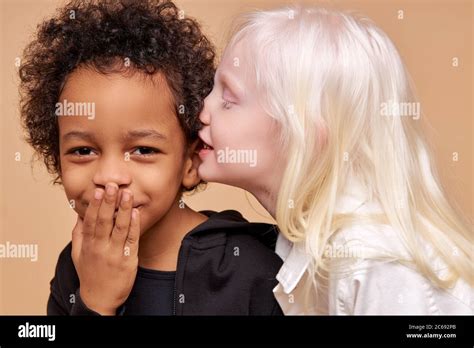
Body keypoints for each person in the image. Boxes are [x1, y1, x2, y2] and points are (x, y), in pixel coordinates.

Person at [198, 6, 473, 314]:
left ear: (306, 134)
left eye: (229, 100)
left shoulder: (375, 264)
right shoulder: (304, 243)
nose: (202, 110)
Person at [19, 0, 283, 316]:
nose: (110, 176)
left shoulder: (254, 270)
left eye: (143, 150)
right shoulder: (77, 264)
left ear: (191, 161)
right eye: (83, 151)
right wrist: (95, 302)